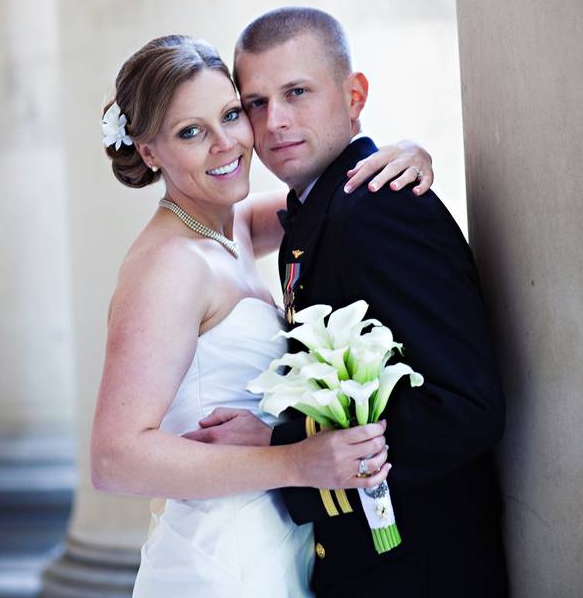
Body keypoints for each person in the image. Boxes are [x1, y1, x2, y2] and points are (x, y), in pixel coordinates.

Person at [90, 33, 437, 596]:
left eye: (230, 114)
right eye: (190, 132)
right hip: (222, 560)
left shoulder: (230, 226)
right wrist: (297, 463)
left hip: (277, 542)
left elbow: (331, 192)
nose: (227, 144)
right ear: (149, 152)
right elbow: (114, 458)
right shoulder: (169, 267)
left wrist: (407, 152)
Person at [190, 8, 508, 596]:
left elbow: (464, 406)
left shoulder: (379, 208)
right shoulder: (321, 208)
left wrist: (283, 447)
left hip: (419, 568)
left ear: (354, 94)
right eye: (255, 103)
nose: (275, 121)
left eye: (297, 92)